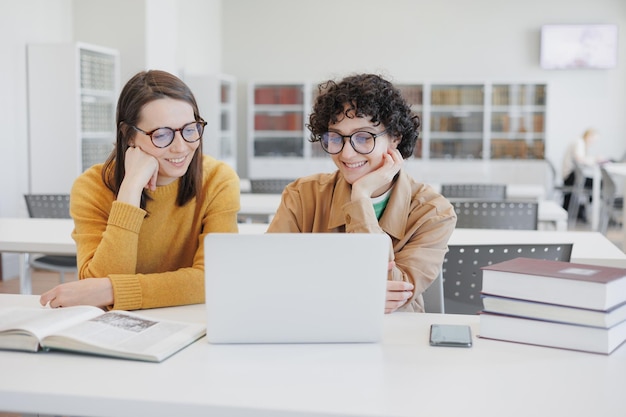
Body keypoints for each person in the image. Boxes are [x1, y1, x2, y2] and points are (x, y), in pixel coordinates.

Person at [40, 70, 240, 310]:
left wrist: (115, 290)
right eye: (162, 135)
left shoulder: (218, 180)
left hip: (191, 320)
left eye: (190, 129)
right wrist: (131, 187)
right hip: (115, 327)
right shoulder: (91, 187)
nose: (181, 147)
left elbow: (214, 278)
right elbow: (96, 284)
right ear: (129, 135)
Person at [266, 73, 457, 313]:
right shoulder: (302, 195)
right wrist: (352, 291)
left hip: (396, 337)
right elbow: (269, 278)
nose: (346, 154)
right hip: (313, 327)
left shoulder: (433, 212)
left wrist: (361, 198)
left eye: (363, 138)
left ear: (394, 138)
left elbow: (394, 292)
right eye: (335, 137)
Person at [561, 128, 602, 219]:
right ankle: (583, 208)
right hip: (571, 176)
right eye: (593, 140)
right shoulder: (579, 142)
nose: (593, 143)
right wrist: (595, 160)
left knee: (595, 183)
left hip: (571, 176)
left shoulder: (580, 143)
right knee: (599, 183)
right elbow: (579, 159)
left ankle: (582, 208)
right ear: (588, 136)